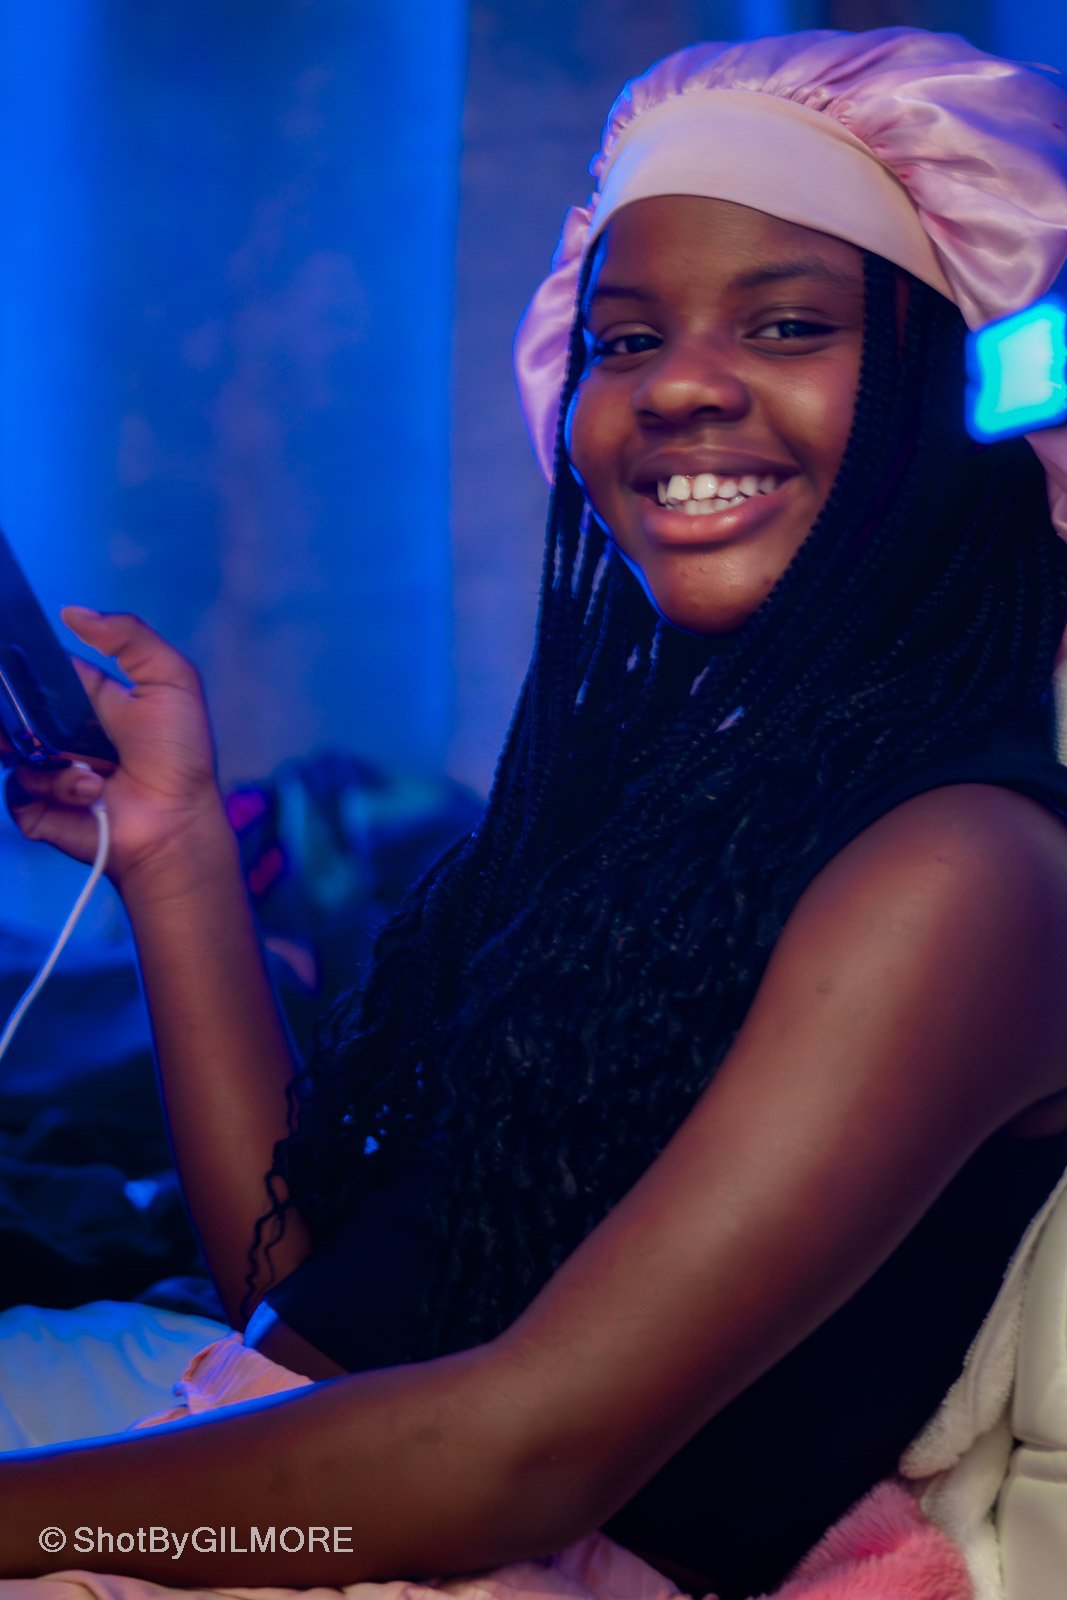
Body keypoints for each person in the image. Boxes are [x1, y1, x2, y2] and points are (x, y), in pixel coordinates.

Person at [2, 23, 1067, 1600]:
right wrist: (168, 861)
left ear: (952, 393)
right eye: (624, 341)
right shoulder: (657, 805)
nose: (683, 385)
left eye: (787, 325)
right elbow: (301, 1299)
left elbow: (522, 1463)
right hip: (313, 1489)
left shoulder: (962, 867)